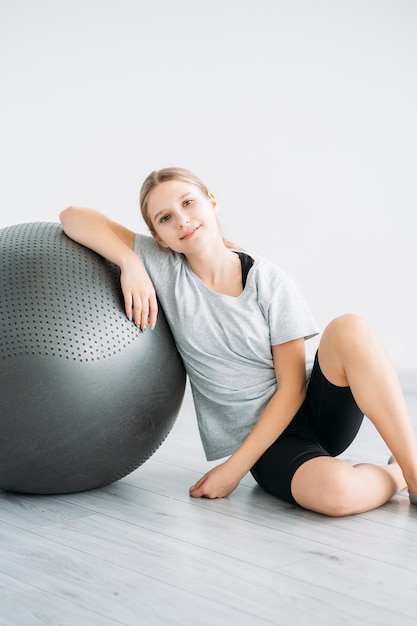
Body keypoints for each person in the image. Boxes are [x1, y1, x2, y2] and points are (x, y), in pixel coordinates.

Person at [60, 166, 417, 516]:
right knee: (337, 495)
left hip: (314, 410)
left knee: (349, 327)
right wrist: (129, 262)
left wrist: (231, 472)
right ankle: (395, 474)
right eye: (165, 218)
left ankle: (414, 473)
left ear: (212, 202)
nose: (181, 220)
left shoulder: (270, 281)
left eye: (188, 203)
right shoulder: (163, 266)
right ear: (159, 238)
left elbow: (292, 390)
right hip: (269, 446)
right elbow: (72, 216)